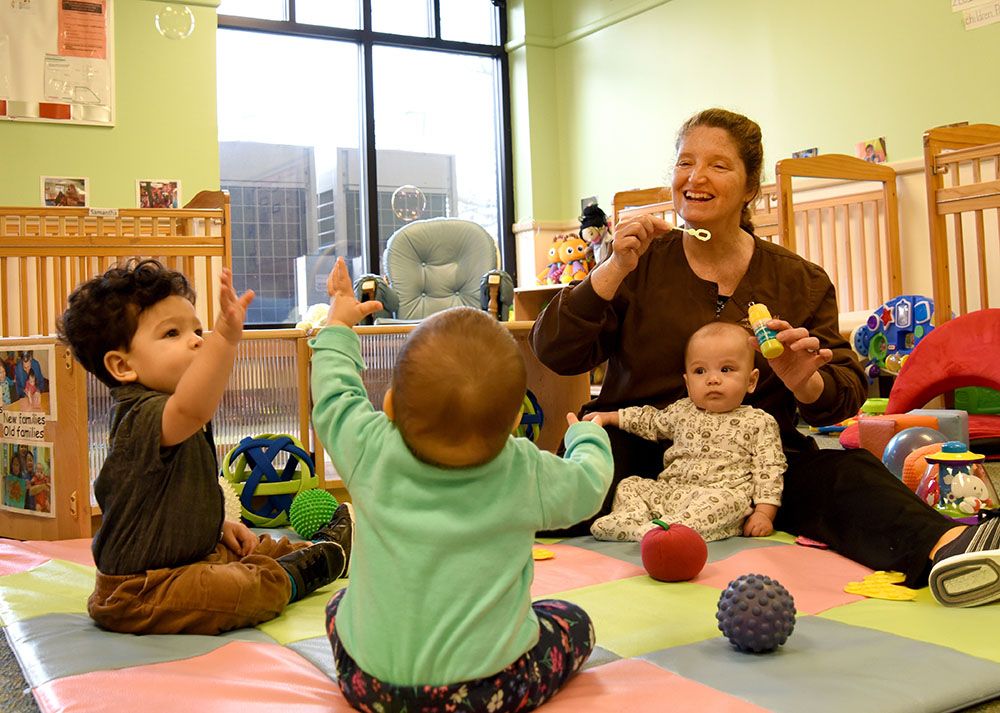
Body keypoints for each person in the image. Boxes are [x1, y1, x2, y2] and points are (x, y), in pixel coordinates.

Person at [531, 107, 1000, 608]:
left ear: (751, 187)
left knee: (846, 473)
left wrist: (806, 383)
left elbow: (842, 398)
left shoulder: (800, 280)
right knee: (566, 491)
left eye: (719, 165)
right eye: (686, 162)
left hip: (758, 466)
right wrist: (610, 270)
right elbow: (556, 351)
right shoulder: (638, 266)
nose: (696, 177)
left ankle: (953, 550)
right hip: (643, 455)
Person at [312, 257, 614, 712]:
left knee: (341, 605)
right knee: (573, 621)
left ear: (390, 404)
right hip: (483, 692)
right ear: (516, 421)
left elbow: (334, 394)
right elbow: (589, 486)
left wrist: (337, 322)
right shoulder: (523, 470)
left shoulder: (369, 447)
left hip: (370, 683)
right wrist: (587, 436)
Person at [57, 258, 354, 635]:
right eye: (172, 334)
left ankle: (325, 550)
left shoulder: (174, 409)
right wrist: (226, 338)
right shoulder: (142, 415)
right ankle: (316, 564)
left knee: (255, 547)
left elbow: (173, 497)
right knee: (244, 589)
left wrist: (216, 526)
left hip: (192, 556)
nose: (197, 339)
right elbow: (193, 407)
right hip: (140, 591)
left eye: (198, 329)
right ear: (122, 366)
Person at [587, 321, 785, 543]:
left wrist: (763, 513)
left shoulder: (759, 422)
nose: (713, 379)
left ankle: (667, 531)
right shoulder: (682, 411)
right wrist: (610, 417)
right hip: (673, 491)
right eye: (700, 371)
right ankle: (633, 522)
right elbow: (651, 421)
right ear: (688, 383)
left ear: (751, 380)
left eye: (726, 369)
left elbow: (769, 471)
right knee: (630, 485)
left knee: (729, 502)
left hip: (719, 496)